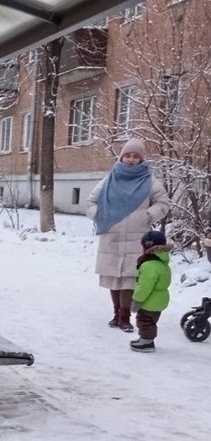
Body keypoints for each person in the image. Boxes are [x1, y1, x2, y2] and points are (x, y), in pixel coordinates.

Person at [85, 138, 170, 333]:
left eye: (135, 156)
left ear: (141, 160)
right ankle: (116, 314)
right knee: (114, 277)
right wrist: (100, 215)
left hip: (137, 237)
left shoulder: (150, 181)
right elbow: (90, 202)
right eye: (128, 156)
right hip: (111, 236)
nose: (131, 160)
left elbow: (163, 204)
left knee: (130, 277)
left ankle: (125, 317)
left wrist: (148, 215)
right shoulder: (109, 179)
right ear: (121, 157)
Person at [129, 230, 172, 353]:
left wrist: (137, 300)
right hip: (160, 298)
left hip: (151, 300)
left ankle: (147, 342)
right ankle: (145, 338)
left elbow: (144, 286)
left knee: (144, 321)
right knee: (151, 320)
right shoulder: (163, 262)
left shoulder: (149, 265)